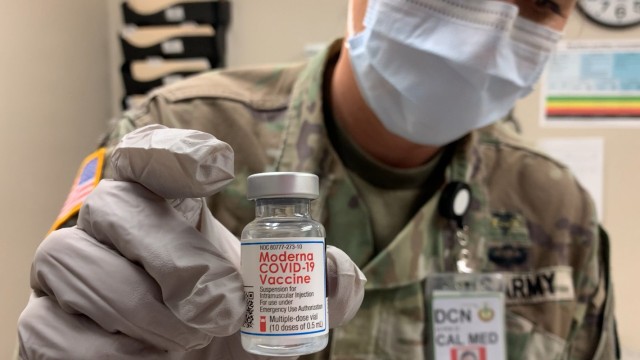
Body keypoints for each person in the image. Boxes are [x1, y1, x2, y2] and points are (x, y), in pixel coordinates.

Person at [17, 0, 619, 358]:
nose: (488, 34)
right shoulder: (174, 142)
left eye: (542, 0)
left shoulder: (555, 210)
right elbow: (79, 309)